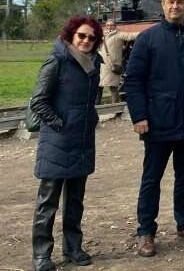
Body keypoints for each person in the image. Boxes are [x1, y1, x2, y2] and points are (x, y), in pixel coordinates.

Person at [124, 0, 184, 257]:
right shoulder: (147, 38)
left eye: (180, 2)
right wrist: (139, 115)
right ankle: (145, 230)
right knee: (151, 177)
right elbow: (133, 80)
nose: (175, 6)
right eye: (171, 2)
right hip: (157, 121)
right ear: (163, 5)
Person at [29, 16, 104, 271]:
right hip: (58, 141)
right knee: (48, 201)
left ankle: (73, 248)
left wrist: (90, 119)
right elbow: (38, 101)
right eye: (82, 35)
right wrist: (59, 123)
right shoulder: (57, 61)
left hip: (82, 140)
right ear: (72, 35)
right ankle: (41, 254)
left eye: (92, 37)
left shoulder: (94, 64)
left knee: (75, 200)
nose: (86, 40)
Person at [98, 19, 138, 105]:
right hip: (103, 66)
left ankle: (116, 106)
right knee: (99, 87)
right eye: (107, 25)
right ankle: (96, 105)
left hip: (113, 66)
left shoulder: (119, 34)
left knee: (113, 87)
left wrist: (146, 33)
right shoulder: (103, 35)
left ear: (115, 26)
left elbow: (130, 36)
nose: (109, 27)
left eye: (111, 25)